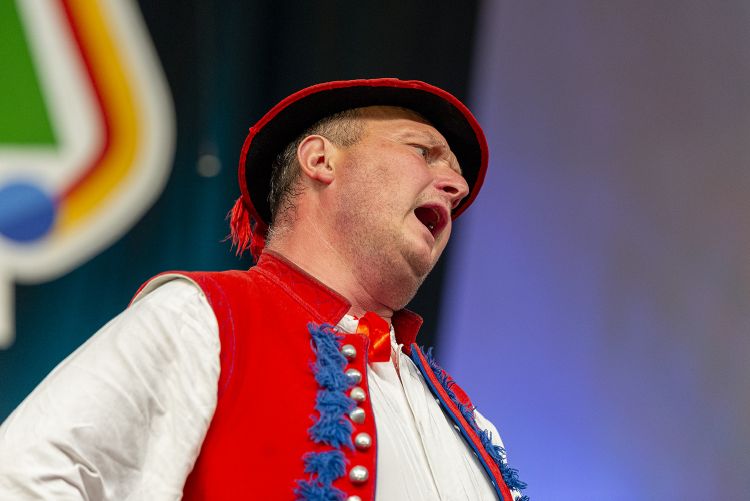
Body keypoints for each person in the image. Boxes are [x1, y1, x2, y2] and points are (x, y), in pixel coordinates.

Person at [0, 78, 527, 500]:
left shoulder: (468, 421)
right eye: (424, 151)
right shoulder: (203, 319)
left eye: (455, 176)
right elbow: (24, 476)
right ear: (320, 160)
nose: (456, 187)